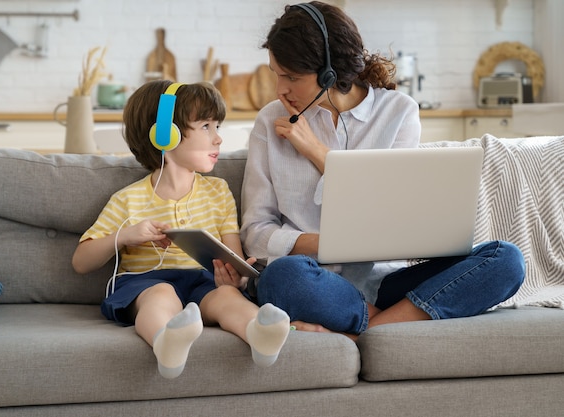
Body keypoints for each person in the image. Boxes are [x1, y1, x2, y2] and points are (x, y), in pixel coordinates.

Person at [240, 2, 525, 341]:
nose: (279, 90)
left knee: (506, 259)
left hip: (385, 282)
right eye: (276, 73)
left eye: (291, 77)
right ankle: (397, 323)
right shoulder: (270, 121)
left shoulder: (399, 112)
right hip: (312, 279)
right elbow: (255, 233)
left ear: (330, 72)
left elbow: (393, 220)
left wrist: (317, 152)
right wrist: (329, 245)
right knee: (280, 277)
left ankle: (366, 331)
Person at [72, 80, 290, 379]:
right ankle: (166, 342)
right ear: (166, 134)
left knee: (227, 299)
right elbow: (81, 262)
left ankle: (260, 334)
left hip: (203, 281)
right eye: (206, 127)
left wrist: (234, 278)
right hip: (146, 281)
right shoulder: (128, 199)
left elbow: (232, 258)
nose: (218, 139)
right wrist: (125, 236)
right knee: (161, 294)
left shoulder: (218, 191)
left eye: (218, 127)